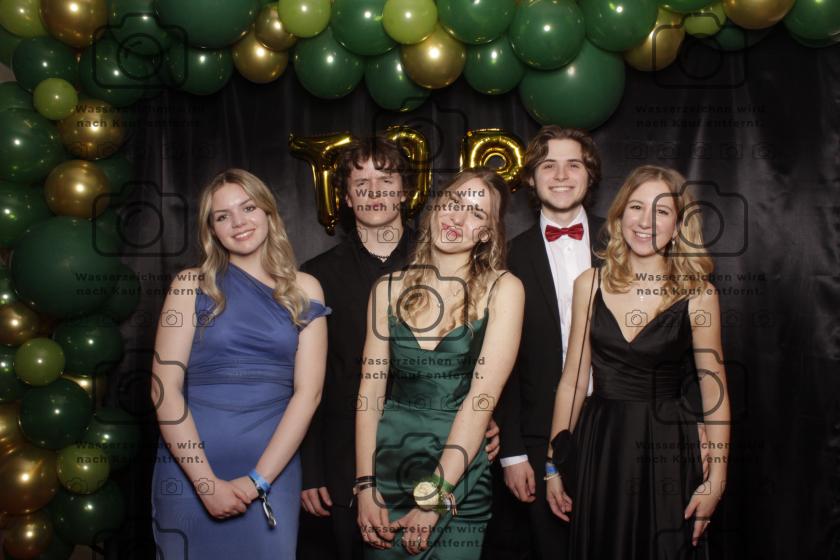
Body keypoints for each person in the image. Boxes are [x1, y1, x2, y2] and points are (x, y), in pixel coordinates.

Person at [298, 138, 500, 560]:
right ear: (346, 197)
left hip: (448, 448)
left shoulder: (447, 251)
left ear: (406, 191)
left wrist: (480, 417)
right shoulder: (317, 275)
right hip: (349, 456)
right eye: (361, 184)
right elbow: (308, 381)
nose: (373, 192)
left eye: (385, 181)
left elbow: (478, 371)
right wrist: (311, 467)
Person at [546, 165, 730, 559]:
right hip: (602, 445)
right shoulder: (589, 284)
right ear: (619, 216)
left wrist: (716, 479)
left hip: (668, 447)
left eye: (661, 211)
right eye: (636, 207)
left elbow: (714, 392)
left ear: (678, 226)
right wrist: (553, 464)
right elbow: (573, 381)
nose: (645, 221)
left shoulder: (699, 295)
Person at [151, 169, 329, 558]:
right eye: (222, 216)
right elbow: (164, 389)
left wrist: (257, 482)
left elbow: (309, 394)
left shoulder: (306, 289)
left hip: (272, 469)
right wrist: (204, 483)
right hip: (190, 467)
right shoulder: (190, 285)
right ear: (212, 230)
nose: (238, 222)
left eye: (248, 208)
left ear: (268, 211)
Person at [355, 168, 525, 559]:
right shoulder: (386, 289)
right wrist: (365, 485)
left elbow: (480, 402)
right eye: (453, 203)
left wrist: (434, 497)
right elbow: (369, 394)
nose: (458, 218)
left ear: (487, 233)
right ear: (435, 208)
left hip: (456, 474)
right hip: (388, 467)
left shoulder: (505, 288)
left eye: (476, 213)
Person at [488, 126, 606, 560]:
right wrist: (513, 452)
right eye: (548, 165)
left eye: (573, 164)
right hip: (537, 437)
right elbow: (499, 366)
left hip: (618, 426)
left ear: (590, 175)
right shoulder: (505, 257)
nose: (561, 175)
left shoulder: (626, 245)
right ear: (531, 179)